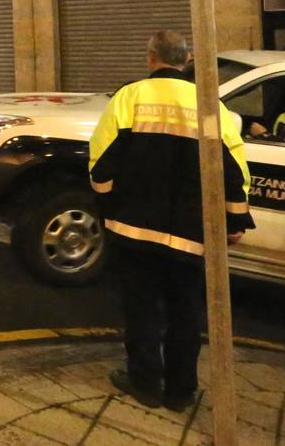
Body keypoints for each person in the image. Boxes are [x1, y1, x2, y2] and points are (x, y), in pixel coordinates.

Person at [89, 30, 254, 413]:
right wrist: (235, 218)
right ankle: (181, 390)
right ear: (187, 60)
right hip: (190, 233)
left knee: (141, 306)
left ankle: (145, 381)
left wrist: (108, 204)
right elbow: (233, 167)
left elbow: (101, 161)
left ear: (151, 58)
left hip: (134, 227)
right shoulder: (210, 105)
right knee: (186, 310)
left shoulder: (130, 97)